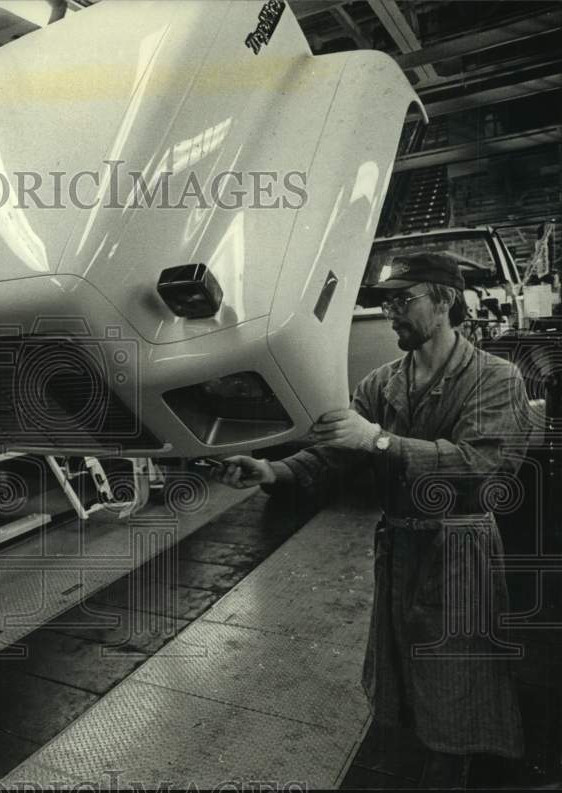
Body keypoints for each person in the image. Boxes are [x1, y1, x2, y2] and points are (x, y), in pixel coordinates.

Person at [214, 252, 530, 788]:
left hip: (457, 550)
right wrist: (271, 470)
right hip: (401, 548)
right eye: (387, 303)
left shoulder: (496, 379)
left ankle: (449, 771)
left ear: (446, 301)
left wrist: (380, 440)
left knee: (455, 674)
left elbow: (484, 467)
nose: (392, 312)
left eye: (404, 300)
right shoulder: (383, 384)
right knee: (404, 671)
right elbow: (335, 455)